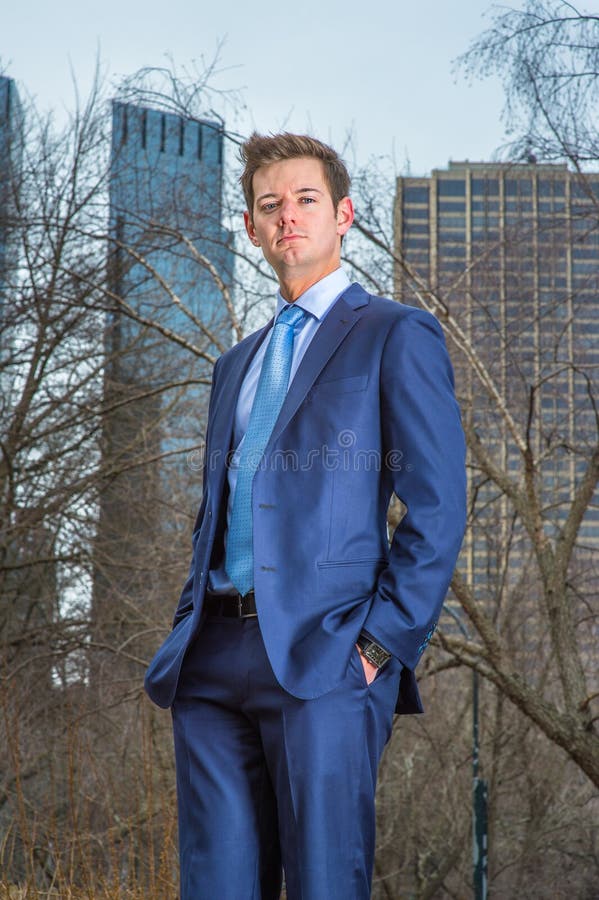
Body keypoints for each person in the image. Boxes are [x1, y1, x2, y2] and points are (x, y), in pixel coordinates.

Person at [145, 132, 467, 899]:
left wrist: (378, 645)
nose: (286, 215)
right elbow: (217, 508)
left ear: (342, 214)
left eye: (304, 199)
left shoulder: (394, 333)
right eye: (269, 205)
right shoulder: (235, 365)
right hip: (210, 657)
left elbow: (437, 503)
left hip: (327, 658)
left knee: (324, 882)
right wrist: (188, 616)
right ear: (252, 227)